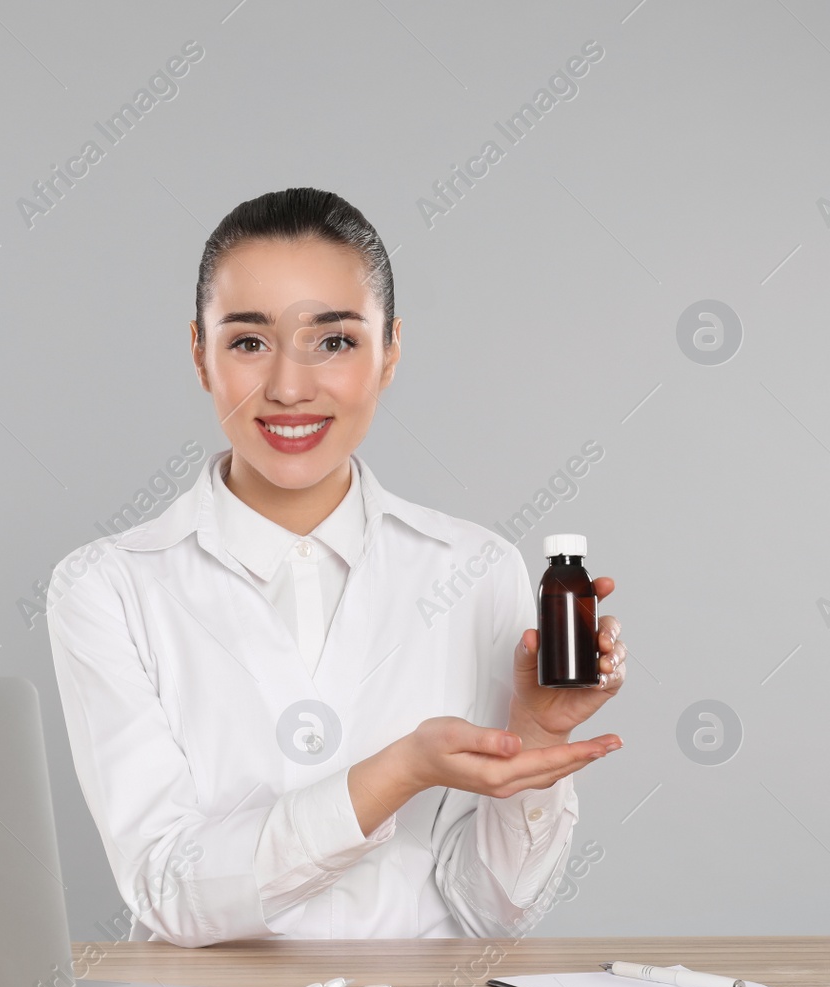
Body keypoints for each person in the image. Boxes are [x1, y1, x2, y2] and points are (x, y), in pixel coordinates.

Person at [45, 187, 627, 946]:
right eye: (249, 342)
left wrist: (535, 741)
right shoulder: (108, 587)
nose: (289, 386)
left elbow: (493, 912)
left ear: (389, 352)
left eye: (336, 341)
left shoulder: (476, 569)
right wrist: (398, 771)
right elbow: (169, 890)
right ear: (199, 354)